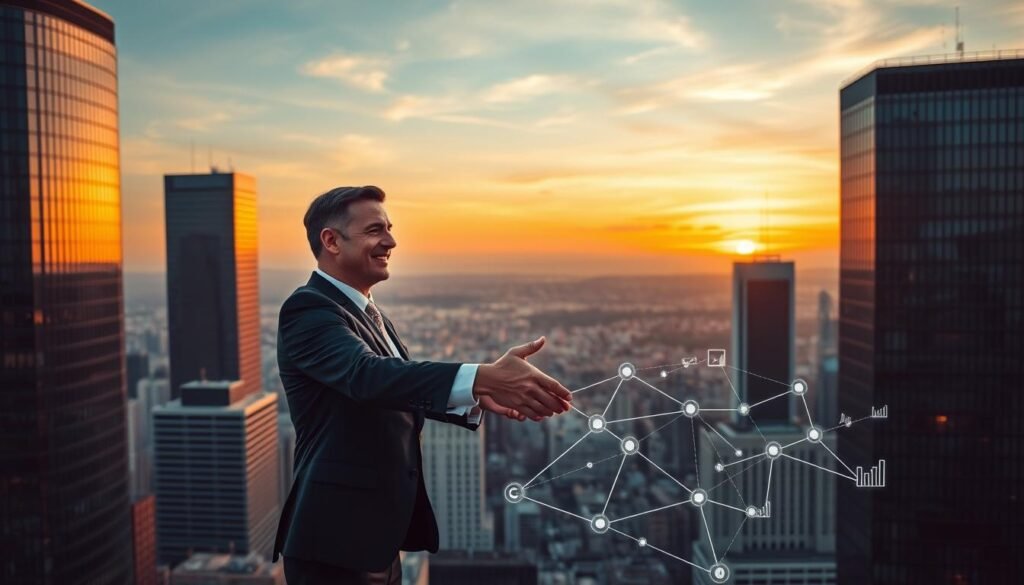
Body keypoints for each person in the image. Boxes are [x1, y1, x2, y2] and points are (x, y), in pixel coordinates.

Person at [273, 186, 572, 584]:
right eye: (375, 230)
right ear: (331, 241)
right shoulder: (308, 310)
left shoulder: (367, 313)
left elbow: (390, 388)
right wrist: (482, 373)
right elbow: (366, 377)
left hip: (373, 538)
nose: (391, 241)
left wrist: (477, 393)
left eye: (390, 228)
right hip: (333, 542)